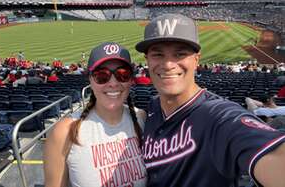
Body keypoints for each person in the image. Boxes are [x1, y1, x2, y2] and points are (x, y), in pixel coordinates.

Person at [135, 13, 285, 187]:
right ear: (147, 60)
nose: (168, 64)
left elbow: (273, 155)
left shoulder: (220, 116)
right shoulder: (152, 107)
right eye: (158, 55)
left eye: (180, 54)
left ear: (196, 59)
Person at [44, 42, 147, 187]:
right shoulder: (64, 132)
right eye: (102, 76)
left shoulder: (141, 118)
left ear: (131, 80)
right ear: (90, 80)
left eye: (122, 75)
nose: (113, 83)